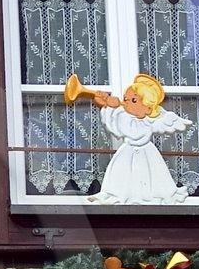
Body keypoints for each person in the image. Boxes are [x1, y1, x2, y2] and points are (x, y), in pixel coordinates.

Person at [65, 70, 192, 204]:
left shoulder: (145, 125)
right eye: (125, 99)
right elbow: (118, 126)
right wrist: (106, 105)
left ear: (148, 109)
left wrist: (113, 108)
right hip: (128, 153)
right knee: (121, 179)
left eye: (133, 100)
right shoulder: (129, 118)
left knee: (147, 180)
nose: (126, 103)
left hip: (144, 154)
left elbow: (131, 131)